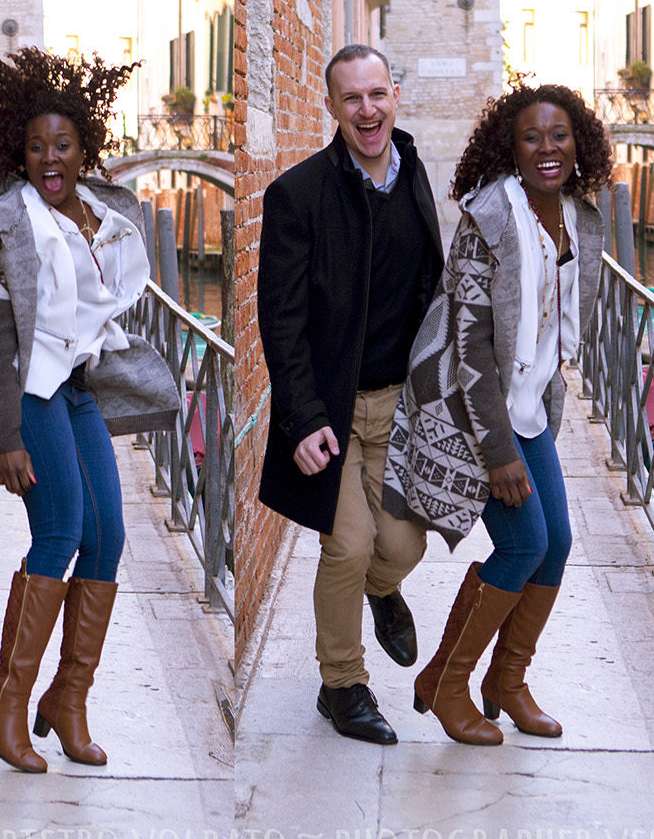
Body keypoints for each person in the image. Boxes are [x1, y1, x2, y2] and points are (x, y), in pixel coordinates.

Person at [0, 47, 175, 773]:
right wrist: (5, 432)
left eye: (63, 144)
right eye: (37, 145)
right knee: (61, 533)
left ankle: (66, 700)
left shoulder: (104, 211)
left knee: (106, 538)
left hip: (79, 386)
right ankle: (11, 699)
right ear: (21, 149)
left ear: (84, 148)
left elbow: (114, 300)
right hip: (33, 393)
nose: (50, 157)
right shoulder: (9, 221)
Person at [384, 83, 611, 745]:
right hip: (469, 411)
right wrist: (499, 453)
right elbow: (470, 344)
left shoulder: (577, 215)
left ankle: (505, 682)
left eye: (560, 135)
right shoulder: (490, 218)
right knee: (522, 543)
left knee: (557, 542)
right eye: (532, 137)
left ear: (579, 143)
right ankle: (446, 683)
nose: (548, 148)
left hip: (528, 404)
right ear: (509, 148)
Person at [256, 44, 444, 745]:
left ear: (395, 95)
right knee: (349, 542)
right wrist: (302, 418)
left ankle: (379, 589)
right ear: (331, 107)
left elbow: (431, 284)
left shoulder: (414, 172)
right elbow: (281, 319)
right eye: (351, 99)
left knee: (402, 542)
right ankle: (343, 686)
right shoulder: (296, 195)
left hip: (400, 403)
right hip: (330, 410)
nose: (367, 111)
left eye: (377, 95)